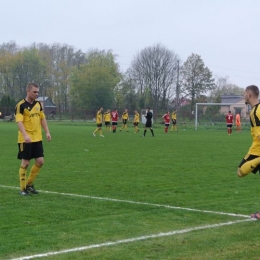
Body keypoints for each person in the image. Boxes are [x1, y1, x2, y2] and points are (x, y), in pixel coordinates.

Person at [15, 82, 51, 196]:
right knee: (25, 163)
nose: (37, 94)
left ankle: (29, 185)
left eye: (38, 92)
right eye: (34, 92)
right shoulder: (20, 105)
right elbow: (19, 122)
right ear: (28, 91)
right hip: (25, 139)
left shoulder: (38, 104)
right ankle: (22, 189)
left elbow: (42, 119)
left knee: (40, 161)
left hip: (37, 138)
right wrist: (25, 135)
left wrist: (47, 132)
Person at [236, 85, 260, 219]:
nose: (243, 96)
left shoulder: (255, 111)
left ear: (250, 95)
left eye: (244, 93)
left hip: (257, 150)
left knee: (240, 171)